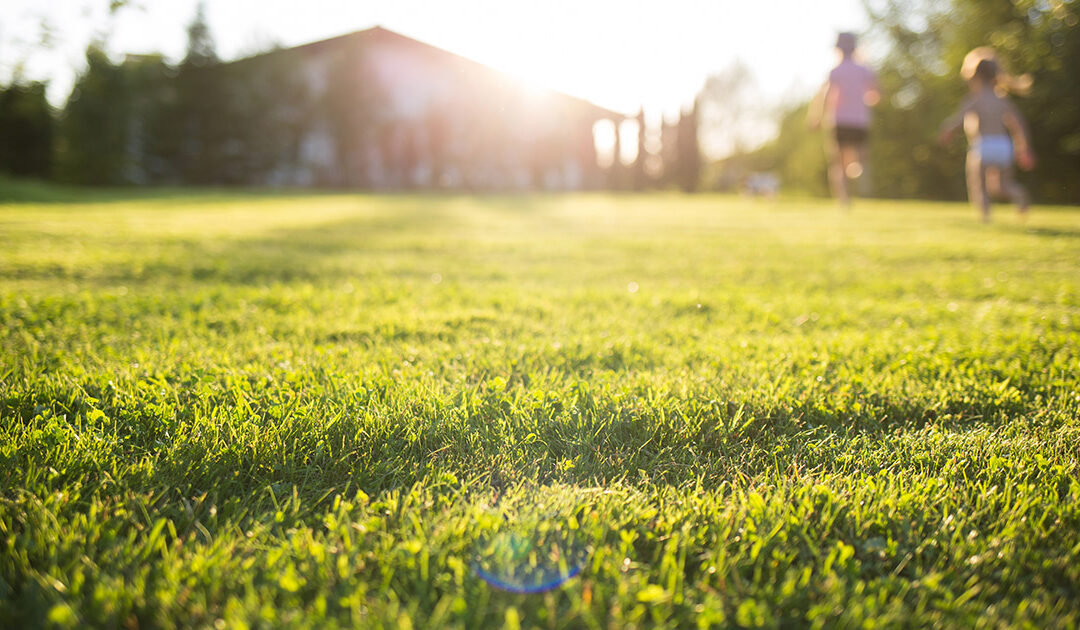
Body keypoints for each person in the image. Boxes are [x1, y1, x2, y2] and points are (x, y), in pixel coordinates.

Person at [937, 48, 1035, 223]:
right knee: (1002, 186)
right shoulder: (1002, 100)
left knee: (979, 184)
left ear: (973, 77)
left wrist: (947, 131)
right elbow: (1018, 124)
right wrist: (1023, 147)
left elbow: (958, 119)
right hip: (1003, 146)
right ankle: (1019, 195)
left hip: (982, 146)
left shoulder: (974, 99)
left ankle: (985, 217)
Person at [808, 32, 880, 208]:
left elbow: (826, 96)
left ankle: (844, 201)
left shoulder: (836, 71)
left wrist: (817, 117)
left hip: (839, 121)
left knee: (838, 163)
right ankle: (856, 170)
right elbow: (877, 95)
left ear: (838, 49)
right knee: (860, 158)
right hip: (860, 121)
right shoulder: (865, 70)